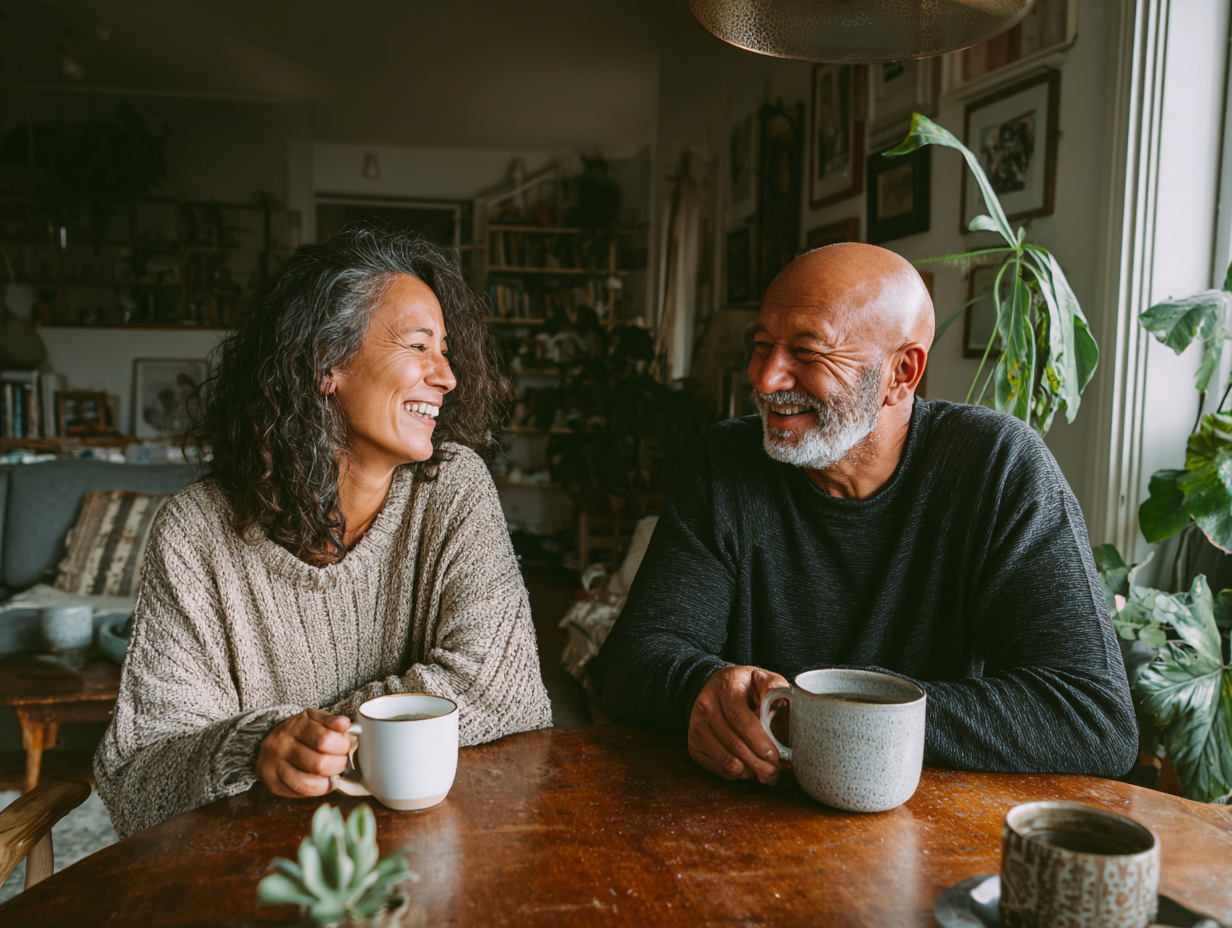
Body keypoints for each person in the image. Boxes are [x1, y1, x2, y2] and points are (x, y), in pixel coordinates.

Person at [591, 243, 1137, 788]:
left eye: (806, 353)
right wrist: (700, 688)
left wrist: (826, 715)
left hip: (929, 829)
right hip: (745, 817)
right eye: (761, 345)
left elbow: (1093, 717)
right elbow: (627, 662)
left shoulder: (998, 468)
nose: (765, 378)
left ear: (902, 372)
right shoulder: (725, 463)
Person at [96, 226, 552, 837]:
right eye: (420, 346)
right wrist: (259, 745)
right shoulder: (196, 534)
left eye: (445, 350)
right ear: (326, 364)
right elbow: (139, 780)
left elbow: (507, 693)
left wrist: (307, 741)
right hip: (251, 864)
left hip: (430, 843)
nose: (447, 376)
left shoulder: (453, 490)